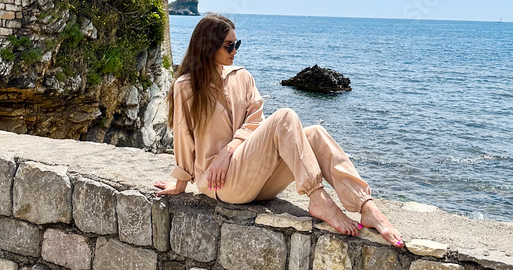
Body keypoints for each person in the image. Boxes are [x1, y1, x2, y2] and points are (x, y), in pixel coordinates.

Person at [154, 13, 404, 247]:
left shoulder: (242, 77)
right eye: (228, 46)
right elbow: (183, 137)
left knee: (315, 134)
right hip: (220, 185)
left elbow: (255, 121)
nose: (235, 51)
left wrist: (228, 151)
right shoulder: (186, 87)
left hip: (255, 181)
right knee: (285, 116)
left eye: (236, 43)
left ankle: (366, 206)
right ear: (208, 46)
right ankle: (317, 197)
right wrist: (180, 182)